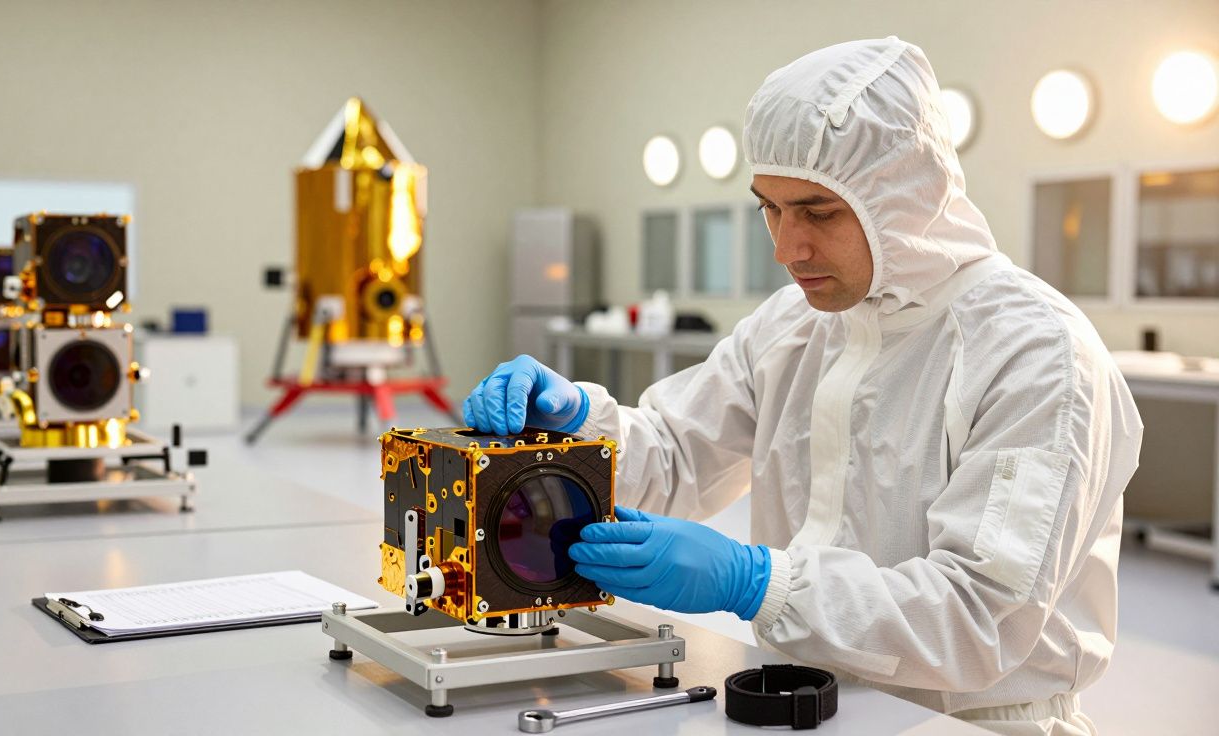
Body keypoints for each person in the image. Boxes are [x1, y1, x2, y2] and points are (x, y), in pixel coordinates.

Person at [464, 37, 1142, 736]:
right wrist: (576, 422)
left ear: (906, 197)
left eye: (819, 212)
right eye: (770, 208)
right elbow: (676, 455)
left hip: (967, 723)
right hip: (797, 704)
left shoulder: (1035, 354)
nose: (788, 248)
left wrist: (756, 582)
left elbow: (974, 619)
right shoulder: (794, 325)